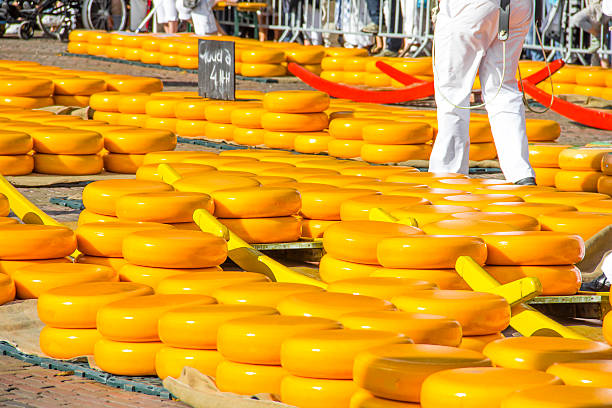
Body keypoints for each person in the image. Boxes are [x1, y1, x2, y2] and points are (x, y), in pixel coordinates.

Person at [429, 0, 536, 185]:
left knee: (453, 93)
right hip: (519, 6)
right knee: (503, 88)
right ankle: (520, 173)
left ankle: (448, 175)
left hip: (470, 7)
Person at [570, 0, 610, 67]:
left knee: (603, 52)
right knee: (596, 54)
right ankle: (597, 36)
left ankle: (598, 37)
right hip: (593, 10)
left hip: (600, 9)